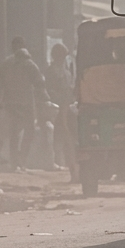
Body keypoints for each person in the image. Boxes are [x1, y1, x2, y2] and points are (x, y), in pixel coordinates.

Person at [0, 38, 49, 172]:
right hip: (26, 103)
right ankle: (22, 159)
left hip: (11, 103)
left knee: (14, 132)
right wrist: (45, 99)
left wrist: (0, 101)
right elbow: (39, 83)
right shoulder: (29, 63)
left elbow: (0, 84)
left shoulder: (6, 63)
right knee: (29, 130)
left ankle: (14, 162)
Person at [45, 43, 77, 180]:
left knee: (66, 137)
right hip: (56, 108)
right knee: (58, 135)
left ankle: (65, 163)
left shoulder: (65, 69)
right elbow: (49, 89)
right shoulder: (52, 70)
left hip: (66, 106)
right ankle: (56, 161)